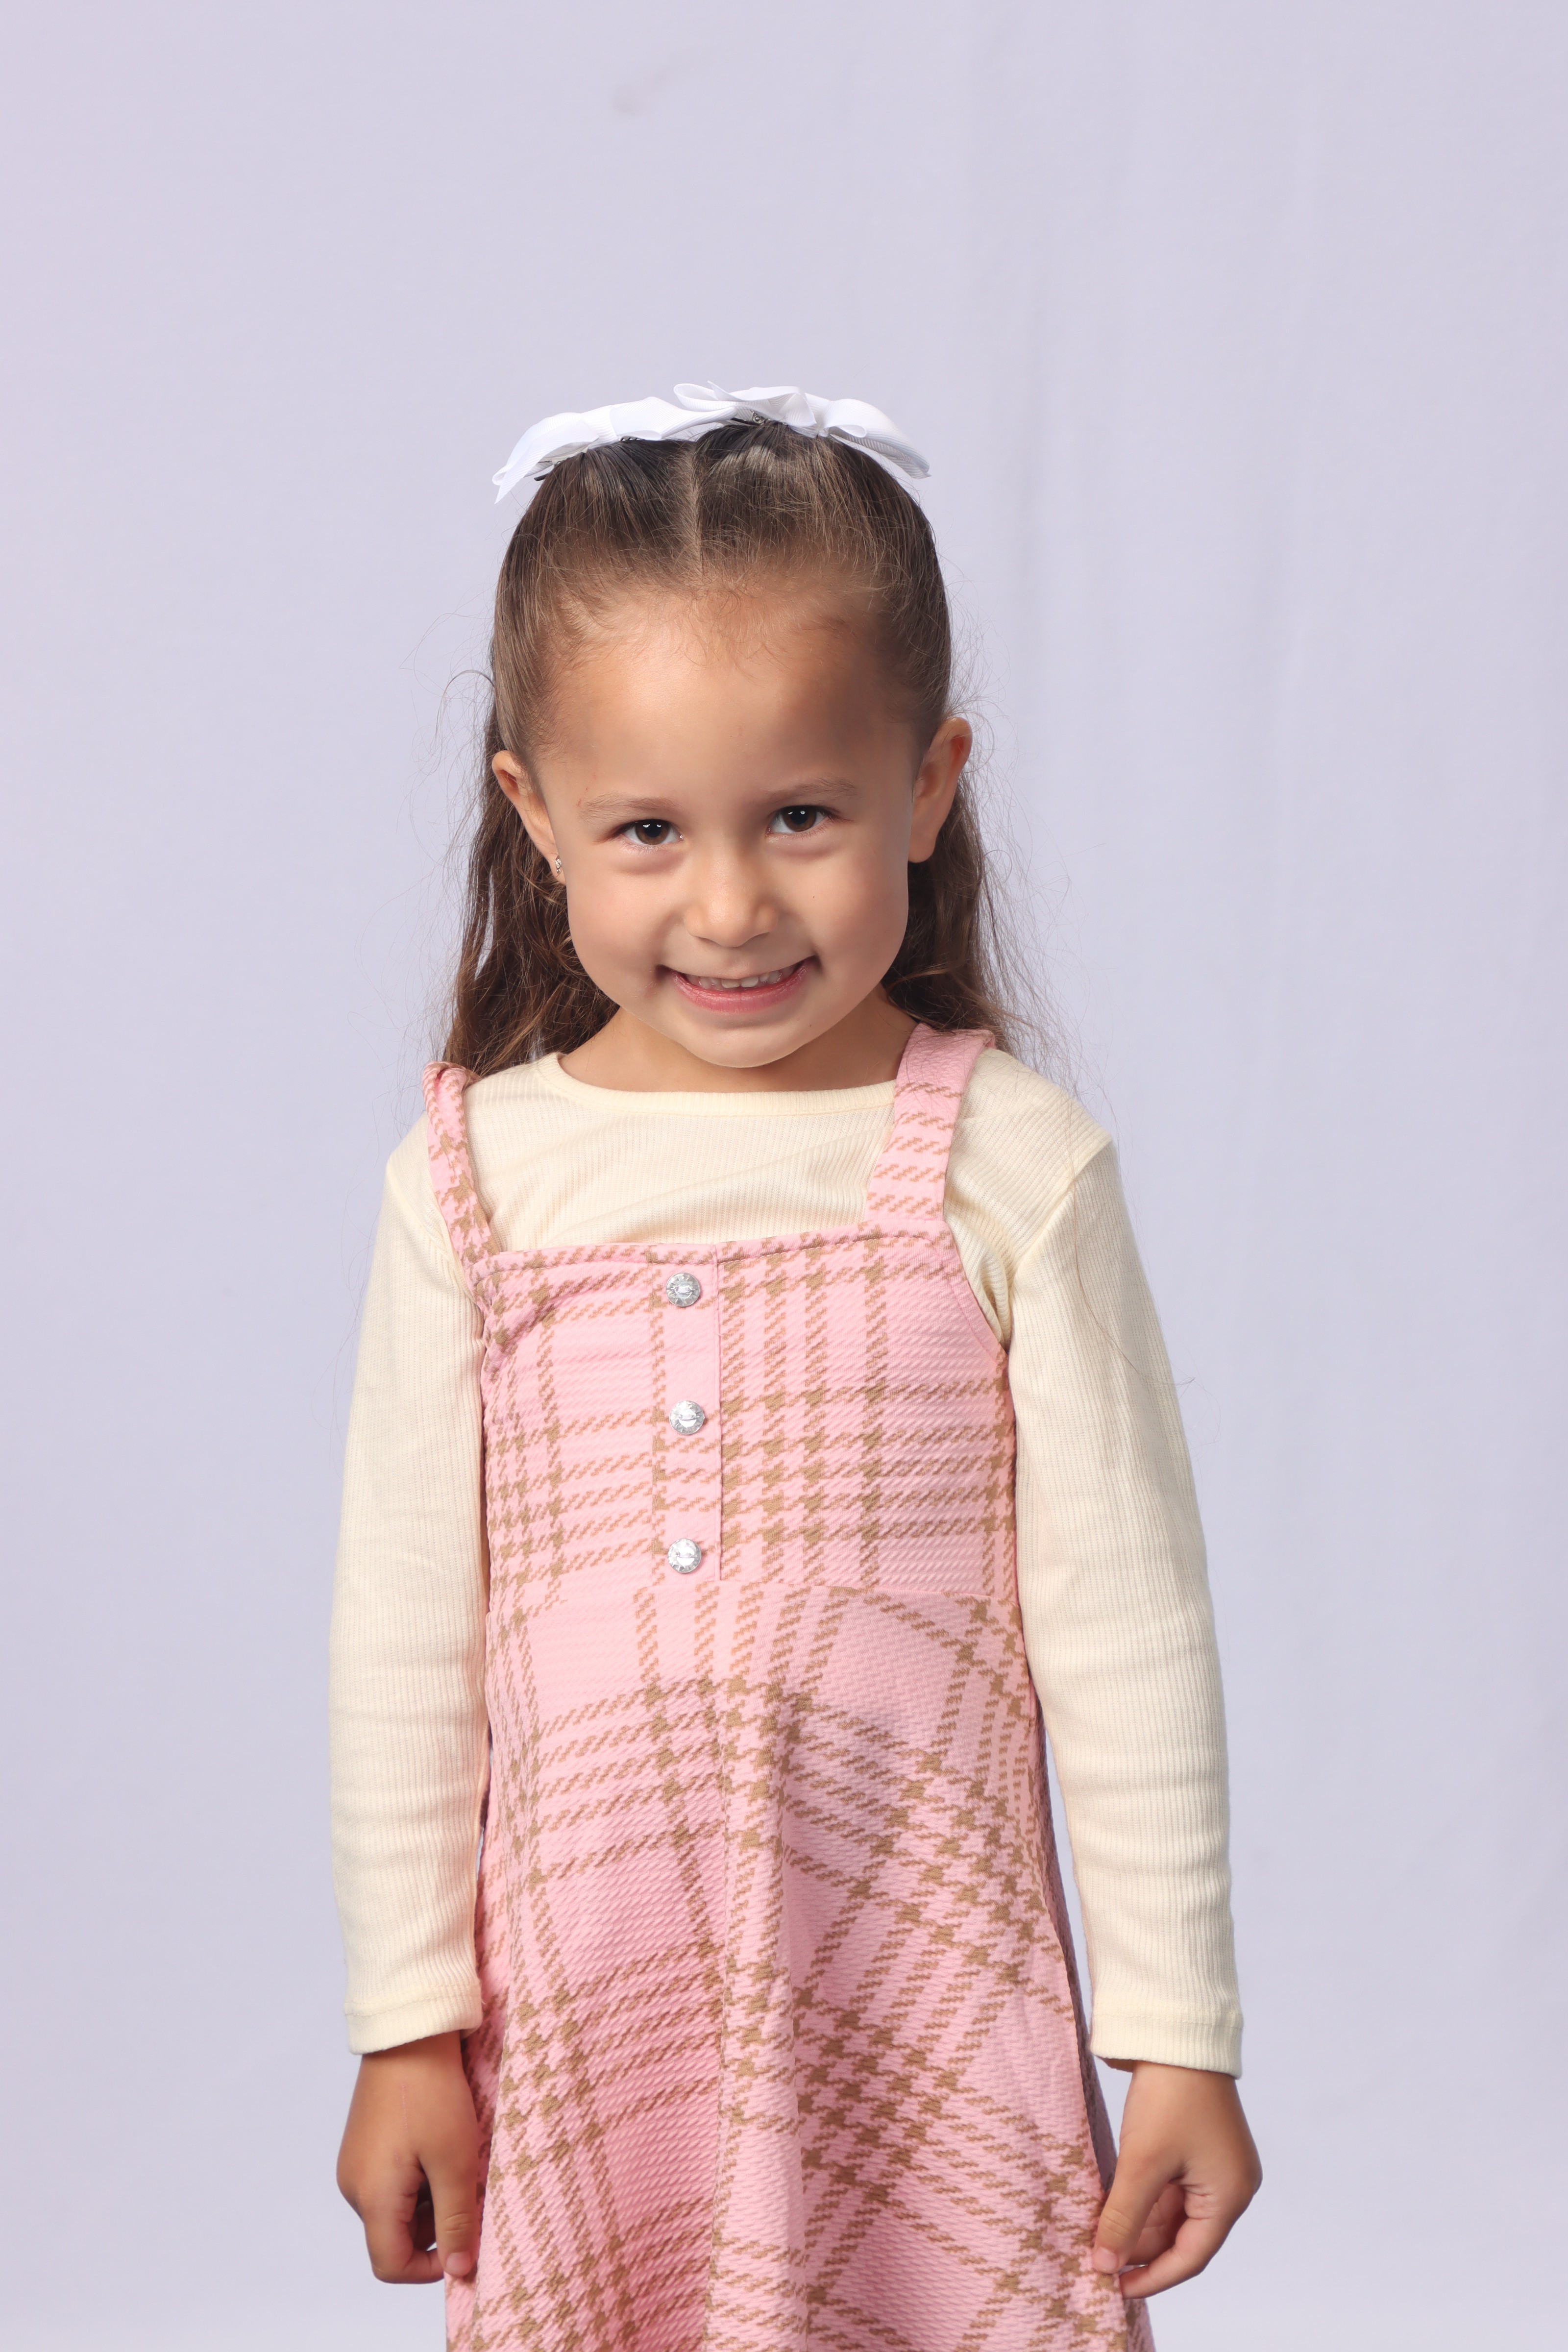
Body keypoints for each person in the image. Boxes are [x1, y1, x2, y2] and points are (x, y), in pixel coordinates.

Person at [330, 384, 1261, 2351]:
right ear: (534, 818)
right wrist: (407, 2025)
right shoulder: (474, 1181)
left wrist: (1174, 2031)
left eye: (803, 818)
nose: (732, 903)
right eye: (647, 831)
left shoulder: (1009, 1163)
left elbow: (1128, 1632)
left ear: (926, 788)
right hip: (592, 2005)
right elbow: (406, 1638)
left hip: (920, 1982)